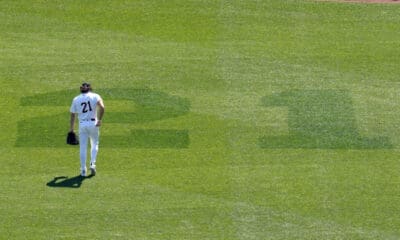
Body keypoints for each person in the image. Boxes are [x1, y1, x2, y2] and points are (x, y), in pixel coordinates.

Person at [69, 83, 105, 176]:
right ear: (90, 88)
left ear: (81, 89)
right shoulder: (95, 96)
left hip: (82, 124)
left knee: (83, 147)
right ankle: (93, 164)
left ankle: (83, 170)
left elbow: (73, 114)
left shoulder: (76, 99)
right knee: (94, 144)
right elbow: (102, 107)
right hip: (93, 123)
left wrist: (71, 129)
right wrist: (100, 120)